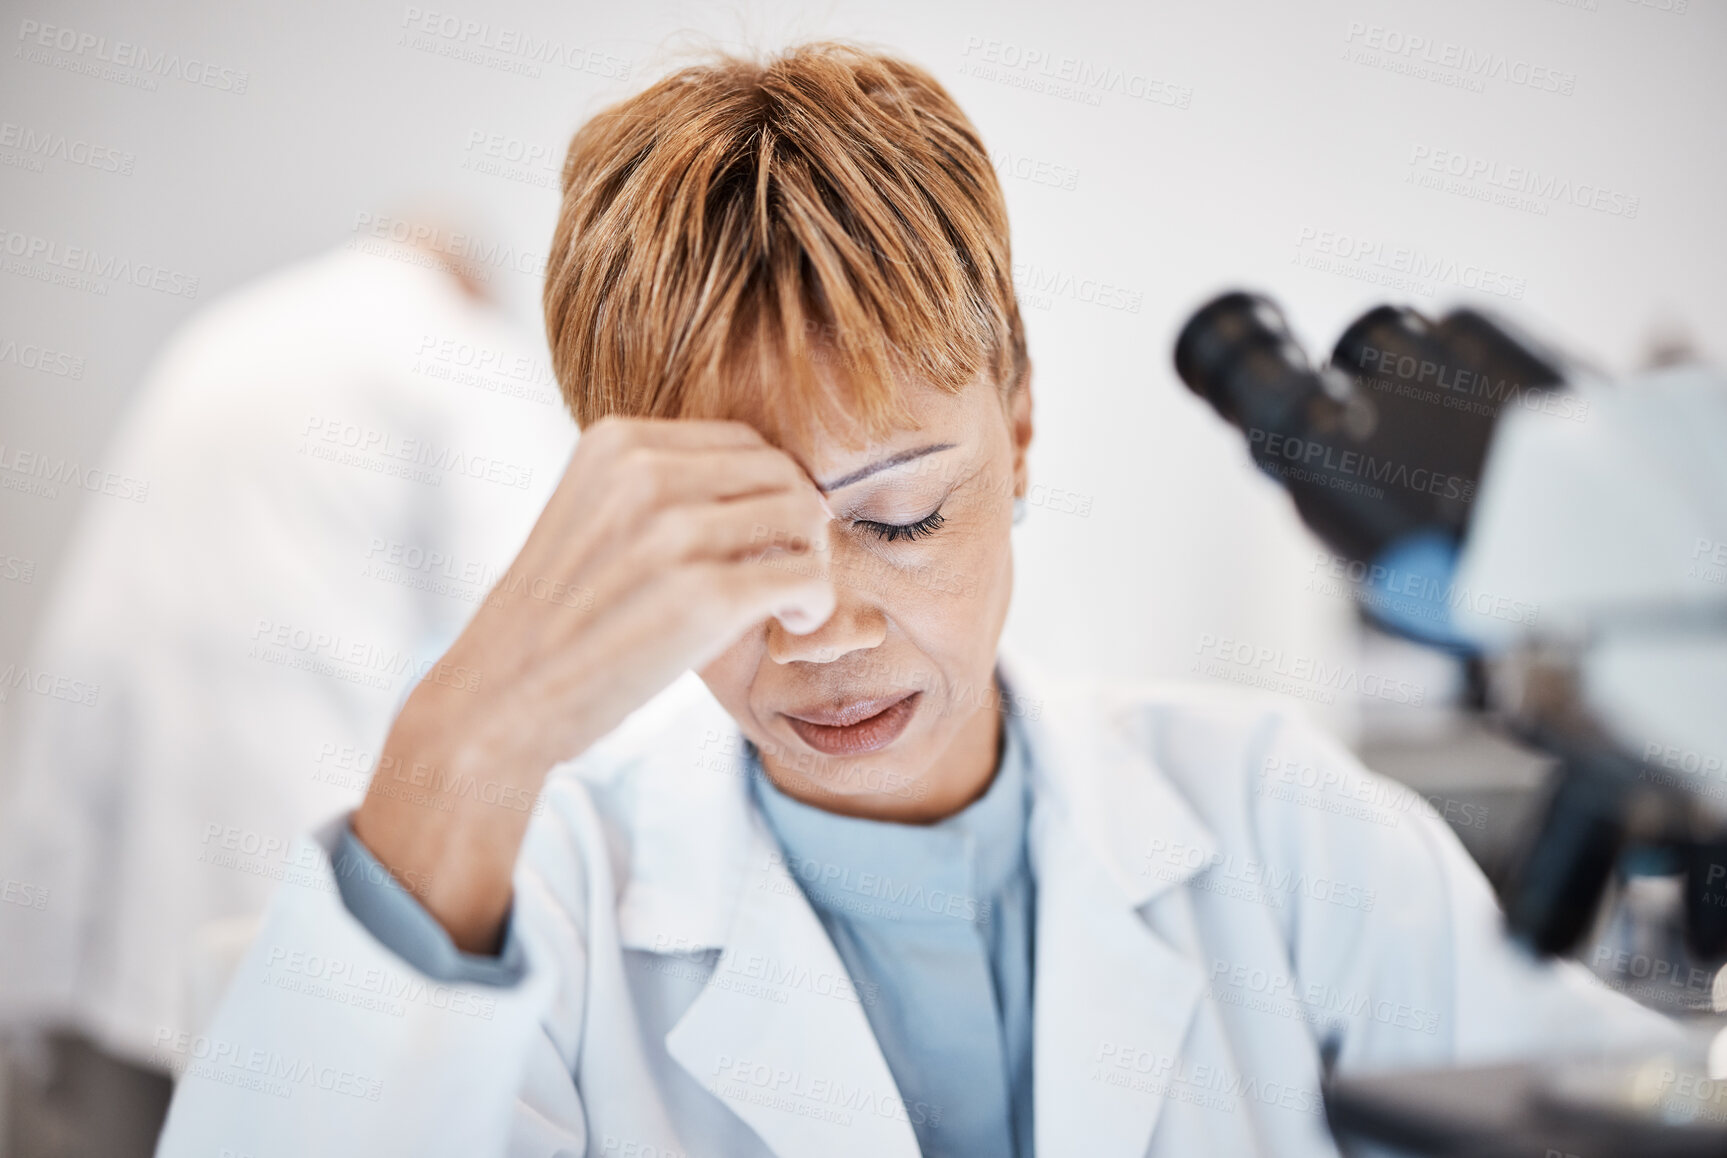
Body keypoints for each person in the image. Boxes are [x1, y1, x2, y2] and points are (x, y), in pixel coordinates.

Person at [154, 43, 1672, 1158]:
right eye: (724, 539)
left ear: (1015, 430)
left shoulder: (1282, 832)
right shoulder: (536, 902)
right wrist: (461, 741)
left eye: (896, 514)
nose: (819, 623)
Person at [0, 224, 574, 1155]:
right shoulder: (458, 350)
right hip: (293, 854)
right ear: (475, 286)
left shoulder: (224, 336)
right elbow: (545, 616)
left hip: (110, 858)